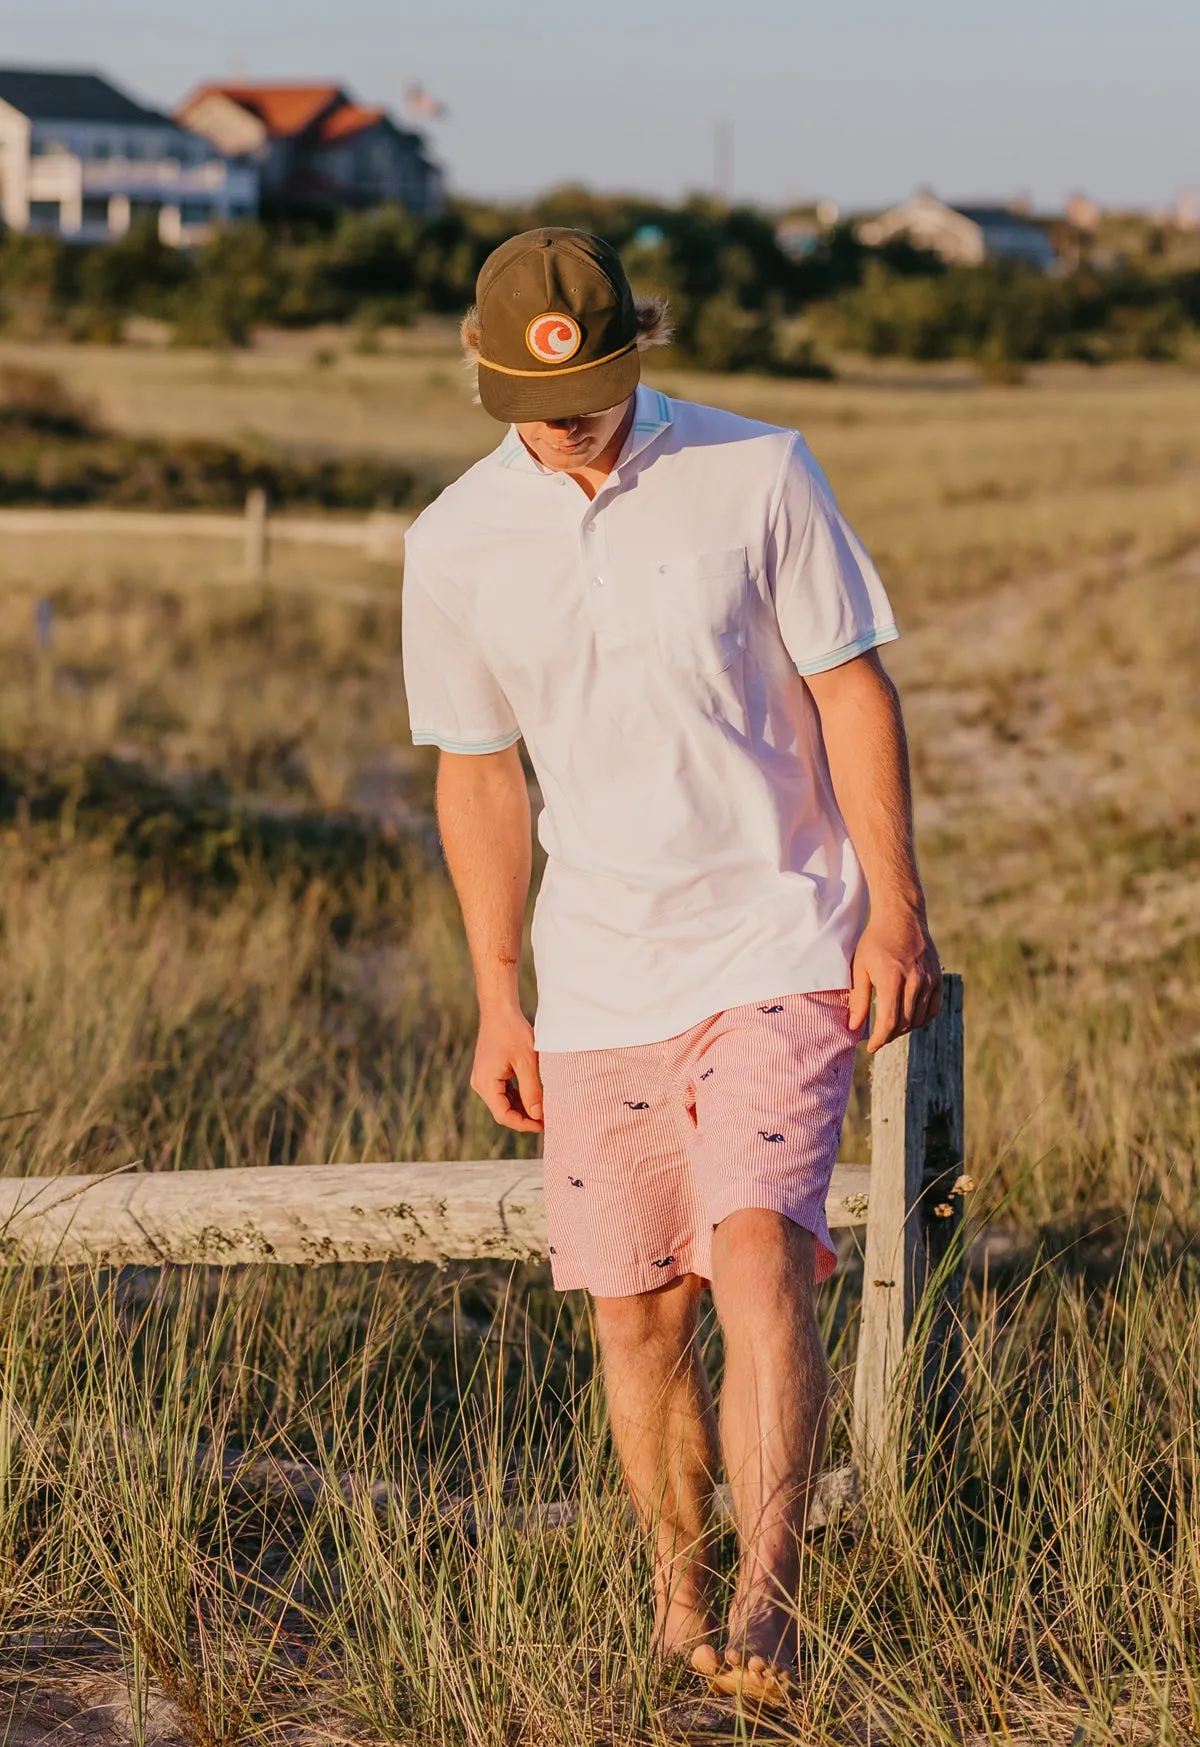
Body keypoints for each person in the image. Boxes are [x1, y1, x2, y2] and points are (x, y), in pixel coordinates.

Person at [401, 228, 941, 1706]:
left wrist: (895, 903)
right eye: (537, 396)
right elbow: (479, 774)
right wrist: (497, 986)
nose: (574, 419)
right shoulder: (451, 542)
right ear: (484, 374)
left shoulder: (759, 470)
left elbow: (851, 687)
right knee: (635, 1307)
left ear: (638, 349)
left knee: (757, 1242)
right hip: (592, 978)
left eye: (599, 387)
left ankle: (771, 1596)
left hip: (777, 930)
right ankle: (678, 1593)